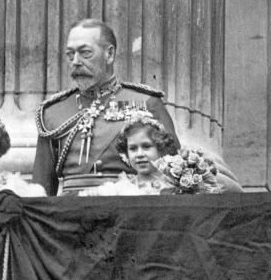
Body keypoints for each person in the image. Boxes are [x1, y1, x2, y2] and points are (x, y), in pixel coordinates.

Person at [32, 18, 180, 195]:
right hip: (69, 215)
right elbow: (41, 188)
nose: (76, 61)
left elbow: (174, 171)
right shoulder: (52, 112)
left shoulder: (146, 102)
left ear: (109, 54)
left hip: (127, 210)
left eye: (85, 53)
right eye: (70, 55)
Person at [82, 117, 179, 195]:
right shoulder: (120, 188)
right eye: (133, 148)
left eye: (146, 146)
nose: (139, 154)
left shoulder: (174, 187)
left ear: (160, 148)